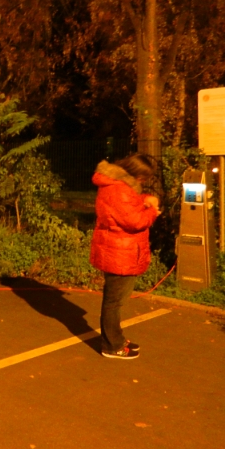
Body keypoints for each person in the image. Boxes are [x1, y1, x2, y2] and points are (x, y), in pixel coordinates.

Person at [90, 153, 161, 360]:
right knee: (114, 301)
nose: (144, 182)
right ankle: (112, 346)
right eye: (143, 178)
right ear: (136, 173)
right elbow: (134, 221)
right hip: (119, 251)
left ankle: (116, 338)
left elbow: (130, 204)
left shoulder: (119, 185)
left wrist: (146, 199)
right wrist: (153, 212)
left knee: (116, 299)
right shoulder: (118, 188)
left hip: (120, 249)